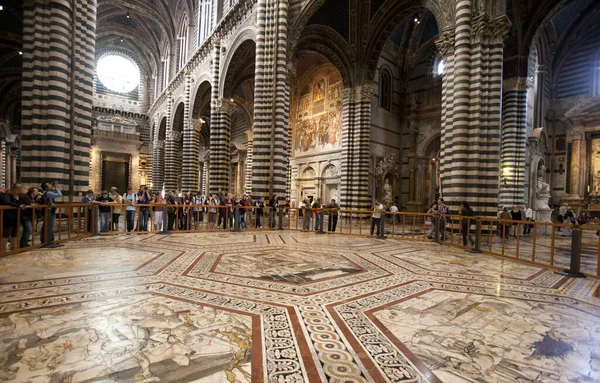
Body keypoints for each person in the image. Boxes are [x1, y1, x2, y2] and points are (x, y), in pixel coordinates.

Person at [1, 184, 25, 251]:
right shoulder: (7, 195)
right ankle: (2, 249)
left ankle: (13, 248)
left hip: (17, 217)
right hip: (8, 216)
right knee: (6, 233)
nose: (20, 190)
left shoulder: (20, 196)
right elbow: (6, 202)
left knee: (15, 232)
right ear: (14, 189)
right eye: (19, 189)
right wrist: (18, 205)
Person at [40, 181, 64, 247]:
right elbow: (59, 194)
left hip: (49, 212)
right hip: (49, 213)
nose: (51, 186)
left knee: (46, 226)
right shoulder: (48, 193)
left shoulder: (47, 193)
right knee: (50, 227)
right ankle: (49, 241)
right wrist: (56, 187)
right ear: (46, 187)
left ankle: (45, 241)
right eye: (49, 185)